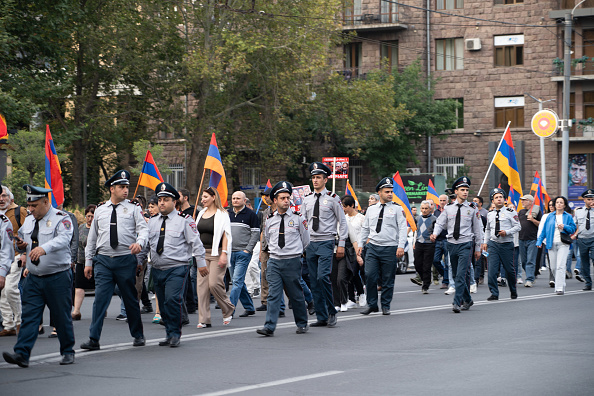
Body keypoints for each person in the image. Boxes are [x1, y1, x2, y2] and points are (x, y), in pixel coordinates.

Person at [3, 185, 74, 368]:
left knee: (61, 316)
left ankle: (67, 351)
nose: (31, 209)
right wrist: (21, 246)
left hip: (57, 276)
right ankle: (22, 354)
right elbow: (24, 245)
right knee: (30, 316)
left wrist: (44, 248)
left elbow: (64, 239)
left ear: (45, 202)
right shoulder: (29, 220)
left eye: (34, 205)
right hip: (34, 278)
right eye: (29, 205)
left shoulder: (61, 218)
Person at [80, 170, 148, 351]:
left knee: (130, 299)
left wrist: (139, 243)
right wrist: (88, 262)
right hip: (103, 261)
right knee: (100, 300)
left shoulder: (134, 208)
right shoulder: (100, 210)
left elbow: (143, 230)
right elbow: (92, 239)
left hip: (125, 260)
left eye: (126, 187)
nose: (125, 190)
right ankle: (93, 339)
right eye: (121, 187)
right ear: (112, 189)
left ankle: (138, 335)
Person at [137, 183, 206, 347]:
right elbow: (146, 244)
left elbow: (196, 243)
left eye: (166, 200)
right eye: (160, 200)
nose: (161, 203)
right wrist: (139, 261)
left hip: (177, 268)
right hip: (157, 269)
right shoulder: (152, 221)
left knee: (172, 299)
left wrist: (201, 263)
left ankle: (175, 334)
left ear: (174, 202)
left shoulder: (184, 220)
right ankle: (169, 333)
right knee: (163, 302)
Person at [256, 181, 310, 336]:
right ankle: (269, 327)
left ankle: (302, 323)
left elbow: (305, 240)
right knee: (273, 294)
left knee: (295, 294)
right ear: (275, 200)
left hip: (292, 261)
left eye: (288, 198)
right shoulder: (270, 219)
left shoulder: (298, 218)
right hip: (274, 261)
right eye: (283, 198)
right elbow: (267, 237)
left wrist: (296, 253)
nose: (286, 200)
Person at [302, 162, 348, 327]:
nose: (315, 181)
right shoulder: (306, 200)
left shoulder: (333, 199)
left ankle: (331, 311)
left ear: (325, 180)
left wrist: (341, 243)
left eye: (318, 178)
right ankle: (321, 317)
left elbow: (342, 222)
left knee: (323, 277)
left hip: (326, 242)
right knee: (313, 281)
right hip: (310, 244)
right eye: (313, 178)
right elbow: (303, 223)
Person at [431, 177, 483, 313]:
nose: (465, 192)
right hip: (451, 244)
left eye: (467, 190)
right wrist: (435, 234)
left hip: (466, 244)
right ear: (456, 191)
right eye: (462, 190)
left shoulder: (472, 208)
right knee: (457, 275)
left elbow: (477, 229)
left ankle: (456, 302)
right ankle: (468, 299)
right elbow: (440, 223)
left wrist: (478, 248)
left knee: (460, 275)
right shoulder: (448, 208)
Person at [357, 177, 407, 315]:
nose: (390, 194)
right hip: (372, 247)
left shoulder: (397, 209)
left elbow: (403, 228)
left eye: (391, 191)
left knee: (387, 278)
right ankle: (372, 304)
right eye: (387, 192)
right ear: (379, 192)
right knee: (370, 275)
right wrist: (361, 244)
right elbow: (365, 228)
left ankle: (385, 305)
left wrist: (401, 246)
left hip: (390, 247)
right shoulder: (371, 209)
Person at [195, 187, 235, 328]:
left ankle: (228, 308)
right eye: (202, 197)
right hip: (202, 254)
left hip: (217, 253)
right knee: (202, 287)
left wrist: (224, 253)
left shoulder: (222, 214)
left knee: (214, 284)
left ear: (213, 197)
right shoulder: (201, 214)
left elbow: (226, 234)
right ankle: (204, 319)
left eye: (205, 197)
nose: (202, 200)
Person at [483, 188, 521, 301]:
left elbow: (518, 226)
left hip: (506, 244)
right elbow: (488, 229)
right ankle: (494, 293)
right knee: (492, 271)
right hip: (493, 244)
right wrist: (485, 242)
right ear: (492, 201)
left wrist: (507, 232)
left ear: (504, 199)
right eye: (496, 198)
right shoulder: (490, 214)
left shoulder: (510, 212)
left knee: (509, 270)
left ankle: (513, 290)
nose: (499, 199)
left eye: (500, 197)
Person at [228, 191, 260, 317]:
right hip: (230, 253)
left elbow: (255, 234)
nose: (235, 200)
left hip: (243, 253)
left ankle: (229, 309)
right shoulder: (227, 213)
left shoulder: (251, 214)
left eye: (238, 198)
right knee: (239, 282)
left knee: (236, 281)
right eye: (233, 198)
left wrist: (248, 250)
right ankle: (249, 307)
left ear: (244, 200)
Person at [0, 186, 27, 337]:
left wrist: (24, 254)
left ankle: (19, 321)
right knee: (2, 292)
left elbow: (28, 232)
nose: (1, 199)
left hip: (16, 255)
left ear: (11, 198)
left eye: (4, 196)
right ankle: (8, 325)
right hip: (2, 258)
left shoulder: (19, 211)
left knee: (10, 288)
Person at [536, 196, 576, 295]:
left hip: (563, 244)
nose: (558, 204)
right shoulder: (550, 216)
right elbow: (544, 230)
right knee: (553, 267)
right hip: (551, 243)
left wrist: (565, 226)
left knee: (560, 266)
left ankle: (559, 288)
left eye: (561, 202)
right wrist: (539, 241)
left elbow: (573, 229)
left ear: (564, 205)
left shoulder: (568, 216)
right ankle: (561, 282)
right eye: (557, 202)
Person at [71, 204, 96, 320]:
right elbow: (75, 243)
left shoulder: (99, 229)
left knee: (99, 286)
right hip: (81, 261)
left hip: (96, 262)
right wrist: (73, 259)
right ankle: (76, 311)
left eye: (92, 216)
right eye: (88, 216)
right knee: (79, 286)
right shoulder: (81, 228)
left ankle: (100, 309)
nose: (90, 219)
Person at [340, 195, 365, 309]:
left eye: (345, 206)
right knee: (350, 273)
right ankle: (351, 298)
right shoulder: (344, 218)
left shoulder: (361, 218)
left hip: (360, 248)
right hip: (348, 249)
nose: (343, 209)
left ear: (352, 206)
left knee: (358, 273)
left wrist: (361, 248)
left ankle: (361, 293)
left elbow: (366, 234)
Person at [518, 194, 541, 288]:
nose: (522, 202)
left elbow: (541, 224)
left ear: (531, 201)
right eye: (522, 200)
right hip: (521, 239)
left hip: (533, 239)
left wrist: (533, 220)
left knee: (530, 261)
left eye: (525, 200)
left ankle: (529, 279)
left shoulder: (537, 211)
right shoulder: (521, 212)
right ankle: (530, 274)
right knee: (524, 261)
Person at [414, 200, 437, 294]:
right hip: (419, 243)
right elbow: (416, 230)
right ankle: (425, 279)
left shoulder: (434, 219)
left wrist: (434, 236)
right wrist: (414, 242)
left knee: (426, 265)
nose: (424, 210)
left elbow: (438, 231)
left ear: (430, 209)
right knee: (417, 264)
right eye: (422, 208)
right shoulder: (417, 218)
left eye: (426, 208)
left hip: (429, 244)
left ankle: (425, 286)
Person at [256, 187, 273, 312]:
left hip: (278, 248)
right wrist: (261, 250)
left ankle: (293, 298)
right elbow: (262, 231)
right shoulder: (265, 212)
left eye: (267, 196)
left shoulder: (282, 211)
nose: (265, 198)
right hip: (266, 248)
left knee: (286, 277)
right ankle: (265, 301)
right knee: (264, 274)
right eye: (264, 196)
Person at [574, 189, 594, 291]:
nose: (591, 201)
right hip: (582, 239)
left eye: (592, 199)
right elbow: (575, 225)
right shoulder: (578, 211)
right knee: (584, 262)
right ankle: (588, 283)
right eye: (589, 199)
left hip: (593, 238)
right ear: (584, 200)